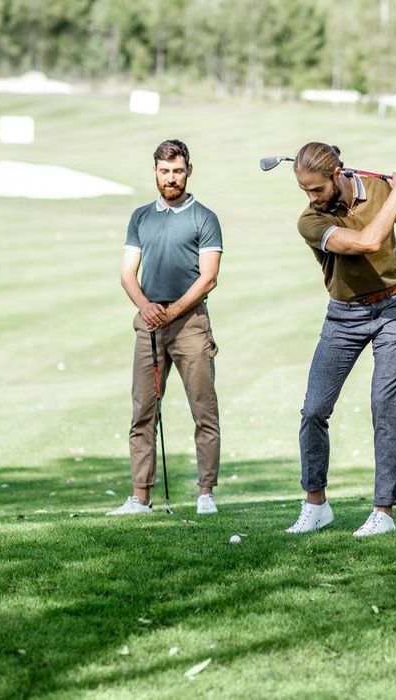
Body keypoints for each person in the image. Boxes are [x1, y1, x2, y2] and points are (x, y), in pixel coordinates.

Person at [284, 142, 396, 537]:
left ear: (337, 174)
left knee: (384, 404)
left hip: (393, 308)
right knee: (313, 410)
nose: (311, 198)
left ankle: (383, 512)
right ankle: (316, 504)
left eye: (316, 189)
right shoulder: (311, 221)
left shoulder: (376, 192)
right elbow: (369, 242)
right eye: (304, 190)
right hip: (344, 316)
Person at [108, 139, 224, 516]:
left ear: (189, 170)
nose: (170, 178)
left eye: (177, 170)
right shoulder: (141, 217)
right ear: (155, 172)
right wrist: (147, 308)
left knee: (203, 411)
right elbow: (128, 274)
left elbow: (208, 278)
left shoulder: (204, 218)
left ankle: (205, 494)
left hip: (190, 325)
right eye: (164, 171)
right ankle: (140, 497)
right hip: (150, 325)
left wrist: (171, 310)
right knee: (143, 411)